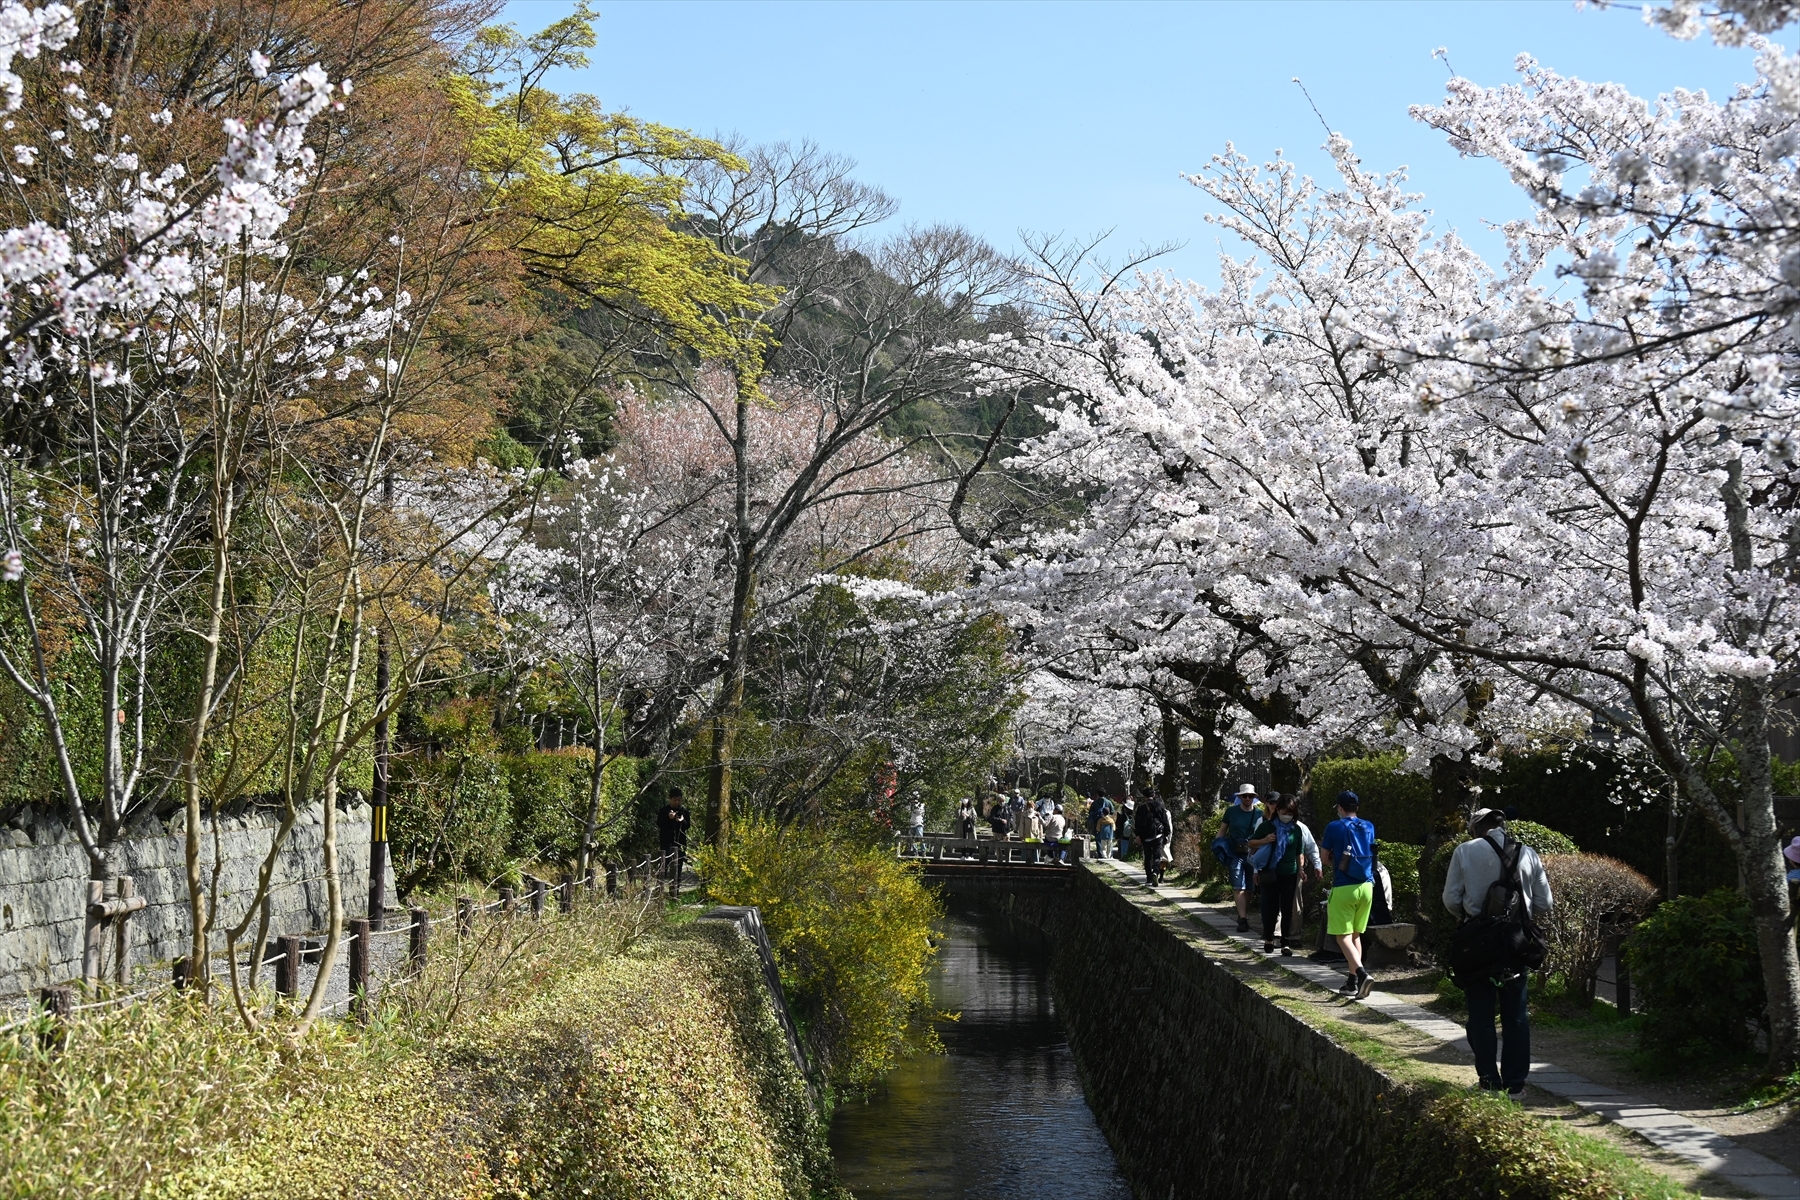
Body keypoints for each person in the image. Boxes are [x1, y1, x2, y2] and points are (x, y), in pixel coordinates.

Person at [1444, 807, 1554, 1100]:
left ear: (1476, 828)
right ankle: (1515, 1085)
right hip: (1515, 942)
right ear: (1501, 825)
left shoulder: (1465, 851)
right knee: (1516, 1015)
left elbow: (1451, 899)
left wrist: (1472, 917)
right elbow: (1545, 903)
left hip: (1478, 944)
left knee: (1480, 1016)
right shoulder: (1528, 853)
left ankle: (1489, 1082)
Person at [1246, 794, 1320, 955]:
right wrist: (1265, 840)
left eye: (1290, 813)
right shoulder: (1266, 826)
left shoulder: (1297, 829)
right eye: (1284, 812)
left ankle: (1285, 942)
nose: (1287, 816)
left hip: (1290, 873)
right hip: (1269, 872)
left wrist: (1300, 869)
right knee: (1270, 908)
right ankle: (1269, 938)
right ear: (1277, 810)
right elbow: (1250, 843)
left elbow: (1299, 852)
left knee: (1287, 909)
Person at [1321, 790, 1377, 999]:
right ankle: (1352, 982)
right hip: (1367, 886)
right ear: (1357, 808)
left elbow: (1324, 858)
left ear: (1340, 808)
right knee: (1355, 935)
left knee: (1342, 936)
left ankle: (1361, 974)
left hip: (1344, 886)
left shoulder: (1334, 826)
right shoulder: (1369, 826)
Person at [1220, 783, 1264, 933]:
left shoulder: (1259, 814)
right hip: (1234, 853)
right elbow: (1222, 831)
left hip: (1253, 854)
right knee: (1238, 886)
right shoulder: (1231, 812)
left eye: (1250, 796)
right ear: (1240, 797)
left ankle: (1243, 914)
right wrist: (1218, 847)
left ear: (1253, 798)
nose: (1247, 799)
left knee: (1250, 888)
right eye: (1244, 796)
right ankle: (1243, 919)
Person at [1135, 791, 1172, 887]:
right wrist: (1167, 833)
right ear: (1153, 795)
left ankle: (1149, 878)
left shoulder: (1141, 807)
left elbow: (1137, 822)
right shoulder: (1159, 806)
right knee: (1157, 856)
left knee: (1147, 857)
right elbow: (1164, 820)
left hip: (1145, 836)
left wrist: (1138, 835)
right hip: (1158, 835)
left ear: (1144, 796)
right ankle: (1155, 872)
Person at [656, 787, 692, 881]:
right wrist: (668, 818)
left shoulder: (684, 811)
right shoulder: (664, 810)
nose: (677, 802)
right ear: (670, 799)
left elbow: (687, 825)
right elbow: (659, 823)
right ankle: (660, 886)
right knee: (663, 866)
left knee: (678, 868)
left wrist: (682, 820)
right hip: (666, 842)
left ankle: (676, 887)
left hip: (680, 843)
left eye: (679, 800)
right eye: (675, 800)